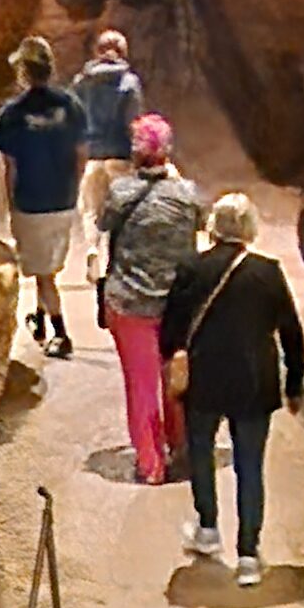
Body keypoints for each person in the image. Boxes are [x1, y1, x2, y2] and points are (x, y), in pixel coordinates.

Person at [160, 192, 304, 588]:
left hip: (204, 379)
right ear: (249, 229)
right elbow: (291, 331)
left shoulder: (191, 268)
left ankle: (208, 528)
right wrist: (295, 384)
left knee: (202, 454)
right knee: (250, 467)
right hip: (253, 381)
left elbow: (171, 329)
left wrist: (174, 359)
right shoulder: (267, 272)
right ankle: (248, 554)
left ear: (213, 228)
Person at [100, 116, 202, 484]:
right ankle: (180, 446)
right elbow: (199, 223)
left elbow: (104, 224)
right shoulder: (187, 194)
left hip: (130, 304)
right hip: (178, 303)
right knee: (175, 375)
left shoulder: (120, 192)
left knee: (141, 386)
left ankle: (151, 464)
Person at [0, 37, 90, 357]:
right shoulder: (70, 105)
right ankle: (39, 313)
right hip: (62, 199)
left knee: (43, 270)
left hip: (31, 203)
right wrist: (73, 189)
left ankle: (61, 333)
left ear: (22, 71)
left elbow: (9, 168)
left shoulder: (13, 114)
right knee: (46, 263)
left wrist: (9, 206)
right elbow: (81, 153)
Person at [78, 26, 147, 259]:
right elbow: (134, 121)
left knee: (91, 210)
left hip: (93, 154)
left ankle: (92, 249)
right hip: (120, 154)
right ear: (123, 52)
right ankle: (117, 256)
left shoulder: (82, 81)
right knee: (123, 210)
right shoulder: (130, 82)